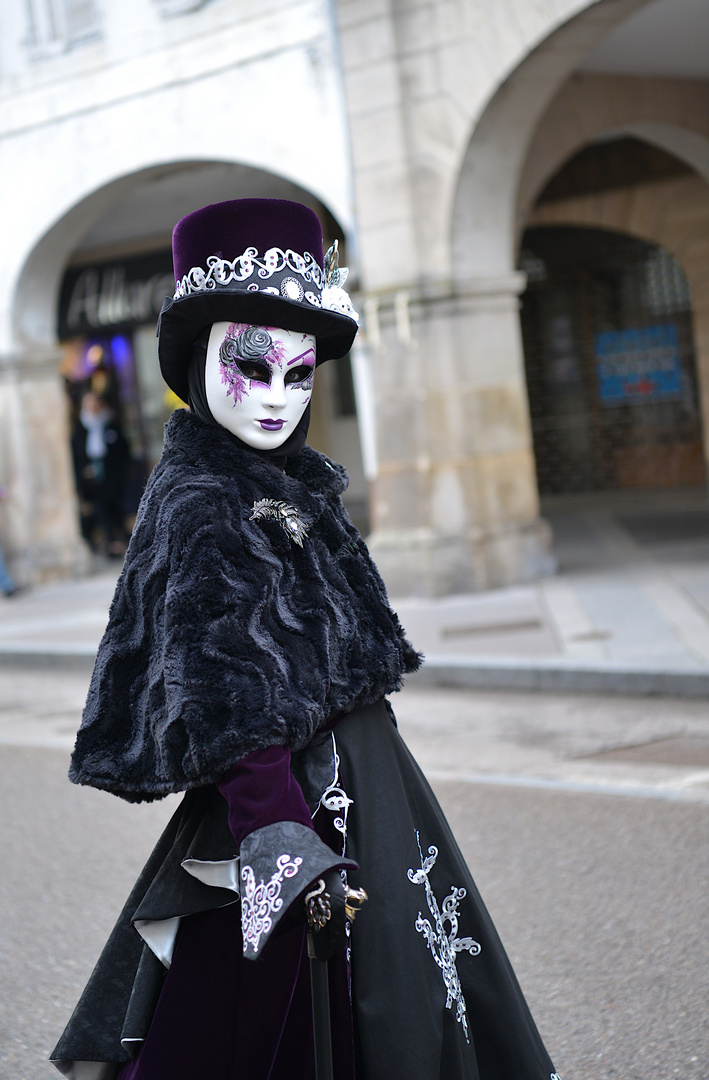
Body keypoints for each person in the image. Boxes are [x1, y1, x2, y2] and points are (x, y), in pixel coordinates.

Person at [51, 199, 561, 1080]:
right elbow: (219, 684)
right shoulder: (202, 498)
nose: (279, 397)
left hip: (365, 789)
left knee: (403, 986)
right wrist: (279, 838)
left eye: (300, 374)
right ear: (196, 360)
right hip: (289, 804)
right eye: (254, 367)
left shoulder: (279, 481)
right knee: (284, 1025)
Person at [72, 390, 130, 556]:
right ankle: (111, 544)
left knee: (117, 510)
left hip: (112, 478)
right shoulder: (80, 430)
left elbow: (123, 451)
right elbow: (77, 456)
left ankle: (123, 542)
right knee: (102, 512)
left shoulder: (110, 425)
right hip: (92, 481)